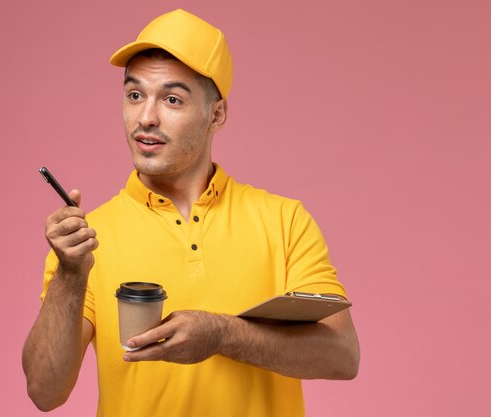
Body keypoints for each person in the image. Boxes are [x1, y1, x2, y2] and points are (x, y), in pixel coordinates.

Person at [22, 9, 359, 417]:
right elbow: (44, 390)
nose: (146, 117)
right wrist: (70, 277)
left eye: (171, 99)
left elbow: (343, 356)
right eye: (134, 95)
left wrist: (222, 335)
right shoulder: (87, 238)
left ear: (216, 114)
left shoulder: (284, 221)